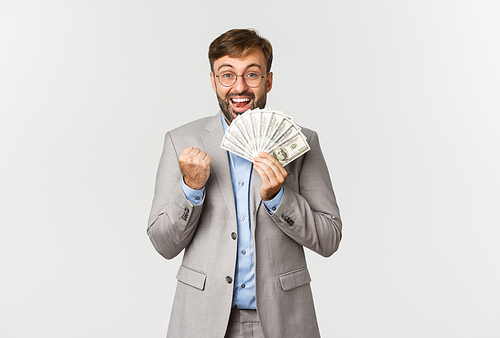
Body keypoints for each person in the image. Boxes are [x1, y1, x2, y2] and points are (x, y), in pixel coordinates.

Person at [147, 28, 342, 338]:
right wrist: (191, 189)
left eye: (252, 74)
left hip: (283, 319)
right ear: (213, 80)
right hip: (202, 318)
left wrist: (279, 198)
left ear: (268, 80)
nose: (239, 87)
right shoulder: (180, 141)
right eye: (227, 75)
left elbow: (329, 238)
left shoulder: (303, 143)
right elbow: (163, 244)